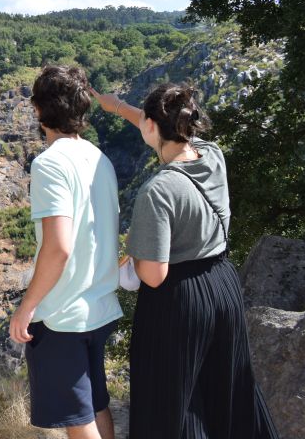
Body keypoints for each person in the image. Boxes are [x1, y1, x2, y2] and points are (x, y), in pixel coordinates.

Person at [94, 83, 278, 439]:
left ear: (151, 127)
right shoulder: (212, 154)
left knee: (173, 404)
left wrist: (128, 257)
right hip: (223, 286)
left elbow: (153, 275)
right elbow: (164, 128)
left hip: (179, 302)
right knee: (226, 393)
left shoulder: (158, 190)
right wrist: (119, 107)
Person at [9, 65, 122, 439]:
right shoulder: (100, 159)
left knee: (77, 417)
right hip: (100, 306)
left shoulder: (49, 164)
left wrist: (27, 308)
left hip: (63, 316)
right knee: (95, 403)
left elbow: (58, 247)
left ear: (40, 111)